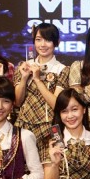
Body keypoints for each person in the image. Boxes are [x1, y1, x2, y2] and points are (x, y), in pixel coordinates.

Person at [14, 22, 70, 168]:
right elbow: (17, 102)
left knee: (50, 173)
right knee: (23, 172)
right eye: (38, 40)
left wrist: (37, 80)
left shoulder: (62, 70)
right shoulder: (24, 66)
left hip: (49, 129)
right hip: (24, 126)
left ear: (56, 42)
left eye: (48, 40)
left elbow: (57, 105)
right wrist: (24, 77)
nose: (43, 44)